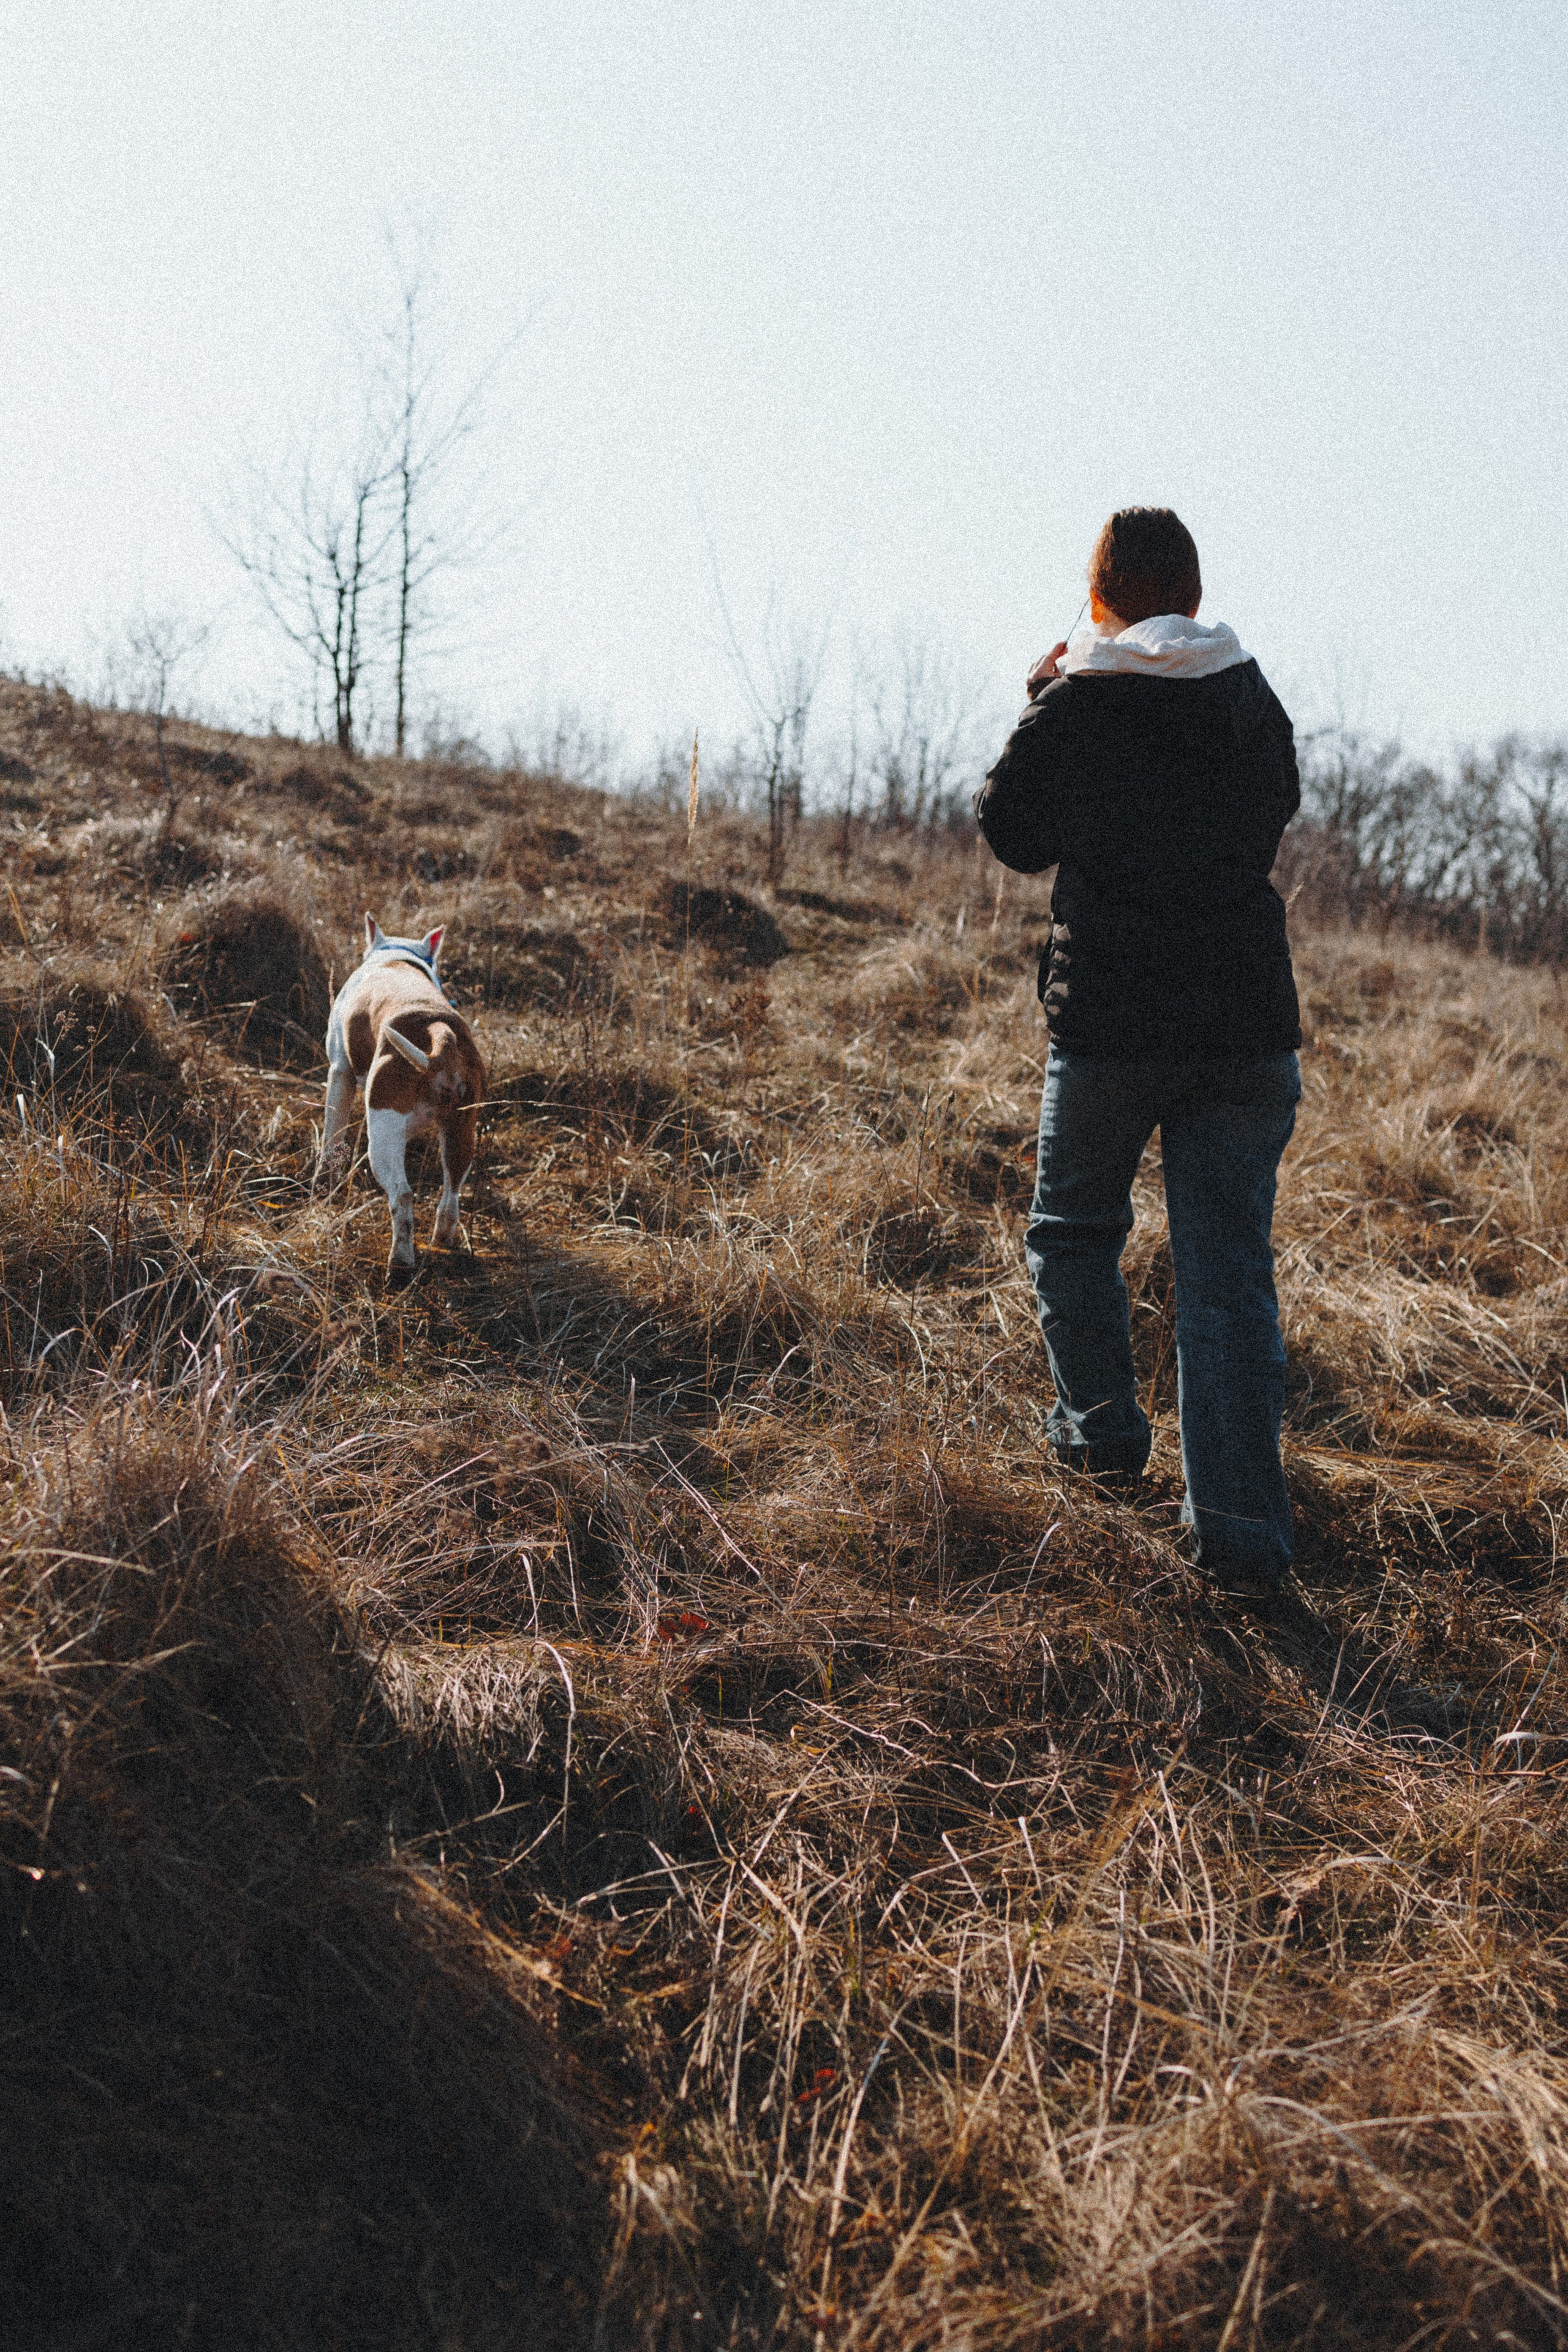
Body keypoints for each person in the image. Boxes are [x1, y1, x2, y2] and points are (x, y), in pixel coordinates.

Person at [974, 507, 1302, 1596]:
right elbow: (1273, 814)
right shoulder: (1251, 696)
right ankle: (1245, 1541)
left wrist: (1042, 698)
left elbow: (1011, 830)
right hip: (1245, 1029)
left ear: (1101, 595)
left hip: (1113, 1021)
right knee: (1227, 1283)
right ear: (1195, 596)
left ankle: (1103, 1442)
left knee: (1071, 1236)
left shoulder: (1079, 700)